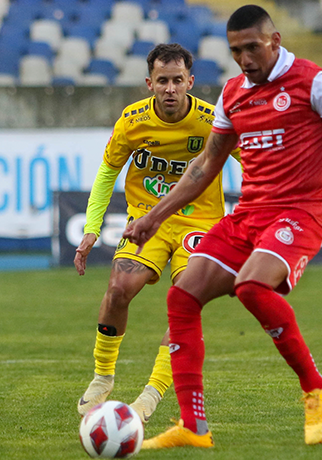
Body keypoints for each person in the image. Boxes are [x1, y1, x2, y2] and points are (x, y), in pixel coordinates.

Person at [123, 4, 322, 449]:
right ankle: (193, 426)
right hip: (248, 215)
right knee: (182, 296)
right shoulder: (233, 92)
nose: (244, 59)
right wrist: (153, 216)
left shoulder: (315, 81)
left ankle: (317, 388)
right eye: (236, 51)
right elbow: (205, 166)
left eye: (252, 48)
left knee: (252, 287)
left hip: (298, 213)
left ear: (274, 41)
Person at [74, 43, 238, 424]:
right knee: (117, 290)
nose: (170, 89)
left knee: (185, 304)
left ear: (190, 82)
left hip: (198, 224)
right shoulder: (132, 121)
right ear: (149, 83)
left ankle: (150, 395)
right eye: (162, 81)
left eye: (177, 81)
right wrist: (91, 229)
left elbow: (254, 161)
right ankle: (103, 376)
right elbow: (106, 174)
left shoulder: (212, 121)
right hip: (147, 220)